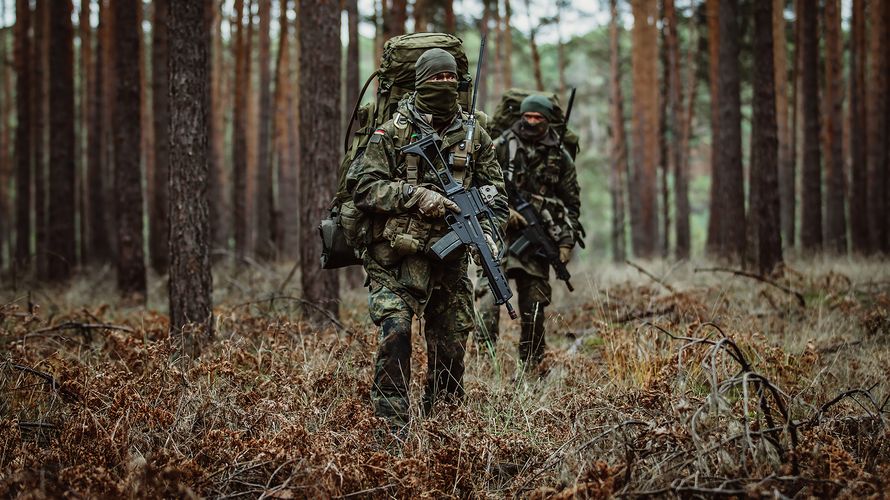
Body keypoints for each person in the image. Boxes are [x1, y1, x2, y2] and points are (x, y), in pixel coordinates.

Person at [345, 48, 508, 431]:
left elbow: (496, 192)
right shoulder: (392, 131)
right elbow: (363, 187)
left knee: (452, 341)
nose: (445, 85)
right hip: (395, 257)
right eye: (437, 79)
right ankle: (391, 429)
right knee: (396, 334)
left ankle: (444, 425)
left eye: (451, 79)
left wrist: (489, 231)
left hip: (449, 261)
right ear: (420, 82)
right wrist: (416, 196)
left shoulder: (474, 134)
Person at [475, 94, 581, 371]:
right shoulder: (500, 147)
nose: (532, 122)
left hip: (535, 243)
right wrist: (505, 211)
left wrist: (566, 243)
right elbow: (477, 184)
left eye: (538, 118)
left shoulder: (560, 156)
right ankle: (484, 365)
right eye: (528, 116)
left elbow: (571, 203)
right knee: (487, 303)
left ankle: (532, 367)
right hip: (494, 236)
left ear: (548, 121)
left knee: (534, 307)